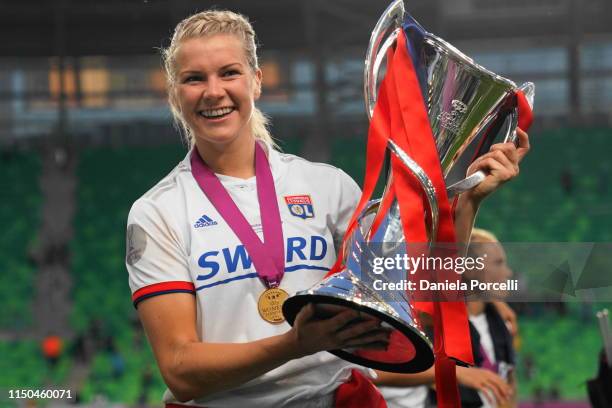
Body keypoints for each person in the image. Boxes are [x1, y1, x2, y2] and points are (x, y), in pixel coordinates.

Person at [125, 9, 530, 408]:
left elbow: (415, 303)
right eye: (194, 78)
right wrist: (295, 344)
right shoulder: (158, 213)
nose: (213, 91)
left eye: (229, 72)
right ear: (174, 93)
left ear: (257, 80)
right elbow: (179, 369)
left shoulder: (326, 187)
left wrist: (469, 202)